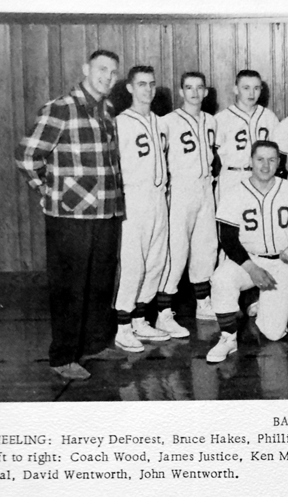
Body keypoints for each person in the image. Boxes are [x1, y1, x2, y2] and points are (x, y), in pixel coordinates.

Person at [15, 50, 123, 381]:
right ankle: (62, 357)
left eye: (113, 72)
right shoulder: (60, 108)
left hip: (105, 211)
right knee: (70, 288)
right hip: (70, 217)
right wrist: (48, 191)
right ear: (85, 69)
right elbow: (26, 155)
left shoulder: (107, 109)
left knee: (100, 283)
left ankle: (93, 344)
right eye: (102, 69)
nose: (108, 76)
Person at [206, 141, 288, 362]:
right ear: (251, 161)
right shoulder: (235, 193)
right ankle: (228, 338)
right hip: (247, 259)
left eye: (271, 160)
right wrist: (251, 268)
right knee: (221, 278)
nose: (265, 165)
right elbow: (228, 239)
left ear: (279, 162)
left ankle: (265, 303)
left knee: (273, 333)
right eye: (260, 159)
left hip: (281, 262)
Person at [114, 65, 173, 353]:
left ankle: (139, 319)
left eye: (151, 84)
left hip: (159, 197)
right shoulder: (120, 123)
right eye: (141, 84)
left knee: (156, 262)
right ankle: (122, 327)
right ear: (129, 87)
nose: (147, 90)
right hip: (134, 198)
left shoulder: (161, 122)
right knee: (133, 264)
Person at [156, 71, 218, 329]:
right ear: (181, 91)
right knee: (176, 250)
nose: (194, 92)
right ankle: (163, 311)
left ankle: (203, 303)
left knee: (206, 246)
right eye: (189, 87)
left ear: (205, 92)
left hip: (206, 187)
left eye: (199, 88)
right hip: (181, 188)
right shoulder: (167, 121)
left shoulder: (212, 121)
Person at [214, 69, 280, 199]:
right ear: (236, 89)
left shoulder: (269, 117)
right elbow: (212, 155)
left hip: (263, 177)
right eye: (246, 88)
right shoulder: (221, 118)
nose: (251, 93)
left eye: (256, 88)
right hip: (233, 176)